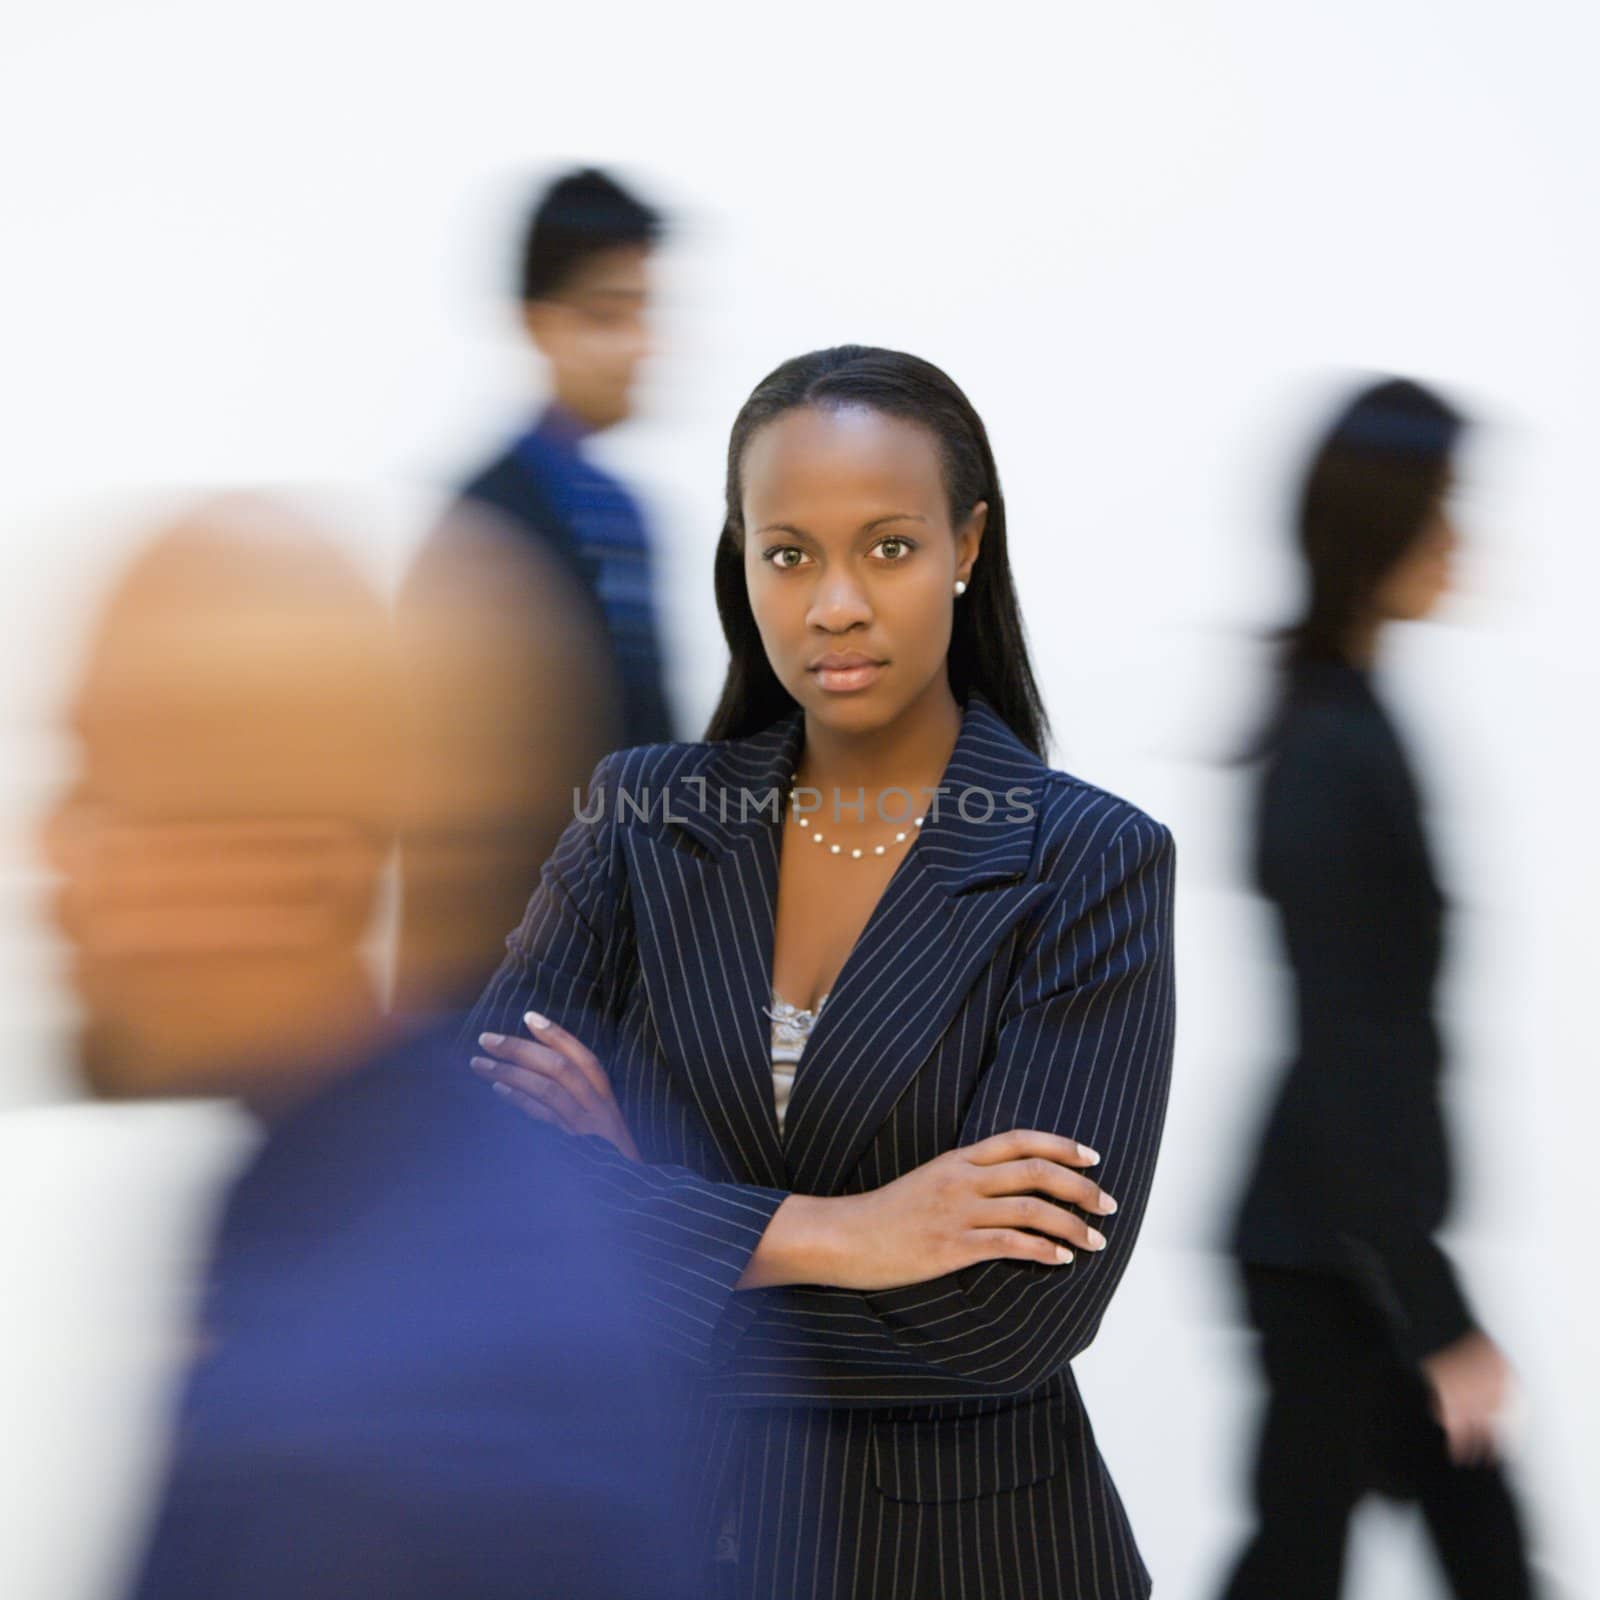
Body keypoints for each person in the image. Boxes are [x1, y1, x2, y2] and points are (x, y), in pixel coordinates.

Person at [467, 346, 1178, 1599]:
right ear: (740, 565)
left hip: (970, 1560)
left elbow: (1012, 1320)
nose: (832, 603)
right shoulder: (642, 818)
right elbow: (475, 1182)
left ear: (967, 544)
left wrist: (638, 1228)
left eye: (888, 548)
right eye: (787, 552)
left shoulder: (1089, 861)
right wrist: (844, 1232)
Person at [45, 501, 696, 1599]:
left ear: (292, 864)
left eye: (105, 797)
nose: (54, 874)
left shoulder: (370, 1442)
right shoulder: (420, 1193)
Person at [1218, 379, 1538, 1599]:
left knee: (1469, 1547)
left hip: (1348, 1237)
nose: (1460, 538)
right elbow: (1352, 1042)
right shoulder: (1329, 747)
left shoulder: (1344, 719)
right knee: (1307, 1559)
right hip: (1333, 1248)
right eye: (1441, 507)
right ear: (1381, 525)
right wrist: (1433, 1307)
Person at [394, 165, 678, 1009]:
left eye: (645, 313)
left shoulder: (619, 515)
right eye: (606, 315)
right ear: (537, 324)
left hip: (623, 989)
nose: (638, 344)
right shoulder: (483, 527)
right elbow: (454, 814)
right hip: (511, 996)